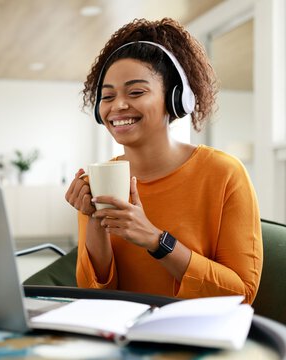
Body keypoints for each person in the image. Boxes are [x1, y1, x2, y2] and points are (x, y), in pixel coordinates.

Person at [65, 18, 262, 304]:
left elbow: (241, 294)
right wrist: (94, 220)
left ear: (175, 99)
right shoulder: (100, 178)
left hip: (197, 334)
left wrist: (157, 241)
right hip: (123, 335)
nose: (118, 105)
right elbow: (95, 297)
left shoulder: (224, 173)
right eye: (107, 96)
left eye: (136, 92)